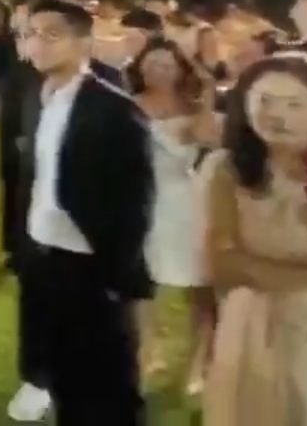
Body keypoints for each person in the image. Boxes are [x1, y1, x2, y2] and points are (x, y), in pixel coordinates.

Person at [10, 0, 155, 426]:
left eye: (52, 35)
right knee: (63, 378)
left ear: (84, 42)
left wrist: (117, 275)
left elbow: (136, 203)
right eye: (32, 34)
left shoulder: (114, 109)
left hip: (92, 265)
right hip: (43, 258)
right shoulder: (35, 97)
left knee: (108, 386)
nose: (38, 43)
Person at [202, 56, 307, 426]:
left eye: (294, 104)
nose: (278, 115)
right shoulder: (227, 170)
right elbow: (224, 263)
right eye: (265, 101)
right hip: (256, 326)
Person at [124, 39, 216, 390]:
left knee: (199, 286)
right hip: (141, 201)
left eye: (166, 65)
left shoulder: (193, 108)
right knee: (140, 284)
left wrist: (208, 94)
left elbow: (206, 137)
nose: (158, 71)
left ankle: (199, 361)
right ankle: (149, 350)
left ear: (180, 70)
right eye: (151, 64)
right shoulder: (127, 106)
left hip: (186, 202)